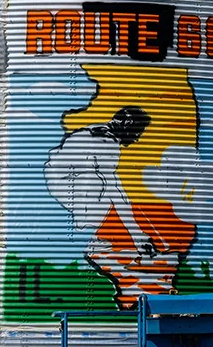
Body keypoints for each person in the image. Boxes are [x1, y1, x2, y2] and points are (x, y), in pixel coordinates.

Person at [44, 106, 182, 310]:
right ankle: (92, 238)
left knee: (100, 187)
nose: (136, 140)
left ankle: (95, 237)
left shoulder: (100, 132)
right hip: (65, 181)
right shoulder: (106, 143)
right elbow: (115, 189)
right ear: (127, 128)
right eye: (136, 133)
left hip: (62, 175)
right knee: (99, 185)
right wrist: (138, 235)